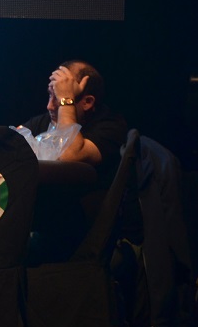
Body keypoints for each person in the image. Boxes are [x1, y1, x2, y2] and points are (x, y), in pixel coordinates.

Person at [18, 59, 128, 263]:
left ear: (87, 102)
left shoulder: (111, 126)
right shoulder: (45, 121)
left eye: (58, 97)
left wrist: (66, 101)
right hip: (44, 225)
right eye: (51, 95)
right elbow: (10, 147)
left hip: (80, 238)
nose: (50, 105)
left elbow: (68, 157)